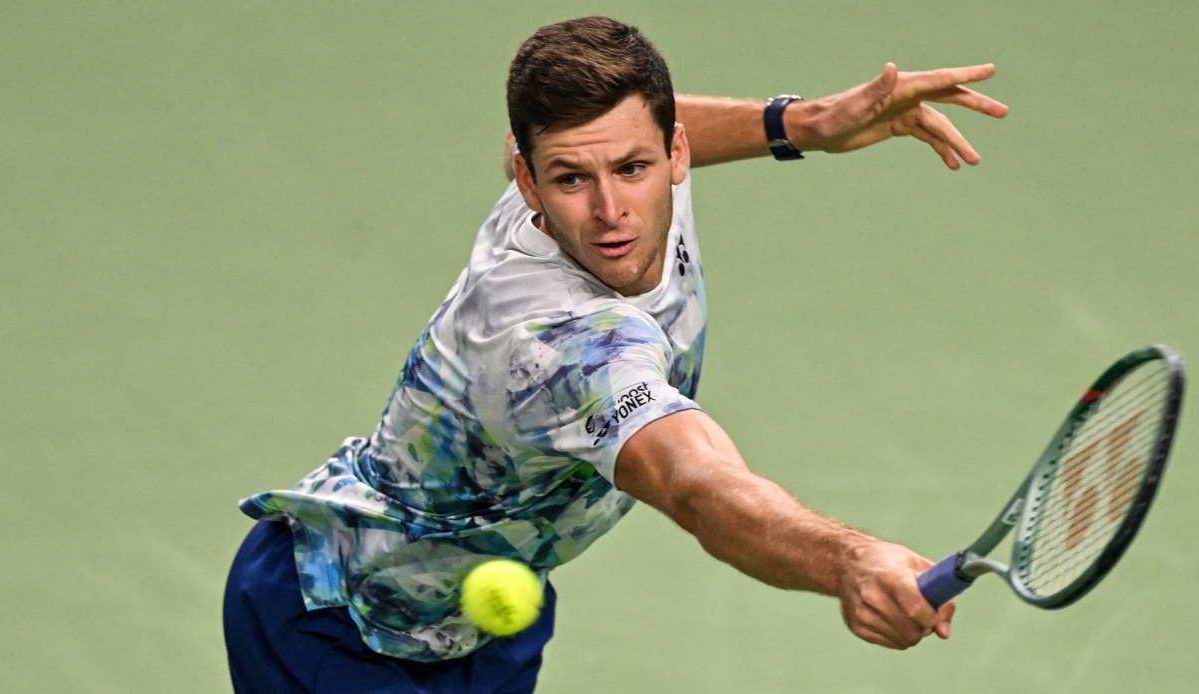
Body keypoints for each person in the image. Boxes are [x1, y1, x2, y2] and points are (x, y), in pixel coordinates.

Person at [223, 15, 1008, 693]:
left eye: (631, 167)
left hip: (484, 614)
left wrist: (796, 125)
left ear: (675, 153)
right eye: (570, 179)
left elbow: (599, 141)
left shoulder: (600, 169)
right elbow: (693, 485)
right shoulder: (559, 344)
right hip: (334, 619)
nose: (609, 211)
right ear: (530, 186)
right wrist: (850, 559)